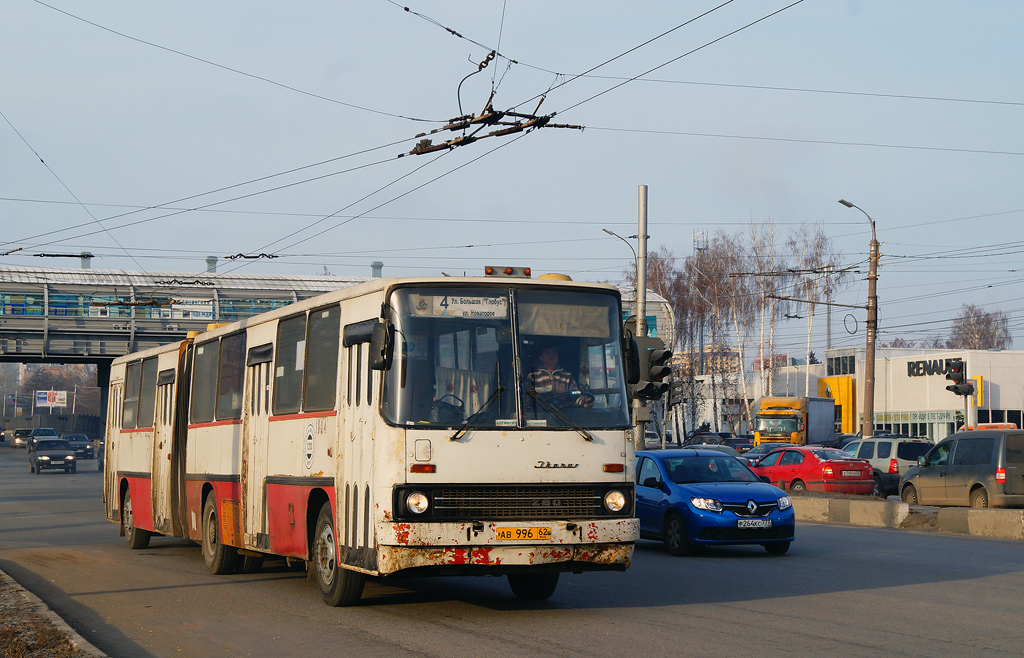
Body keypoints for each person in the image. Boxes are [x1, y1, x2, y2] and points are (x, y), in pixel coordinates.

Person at [527, 345, 594, 408]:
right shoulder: (533, 377)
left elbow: (575, 395)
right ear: (541, 358)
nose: (552, 355)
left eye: (554, 352)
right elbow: (526, 399)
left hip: (564, 416)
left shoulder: (567, 376)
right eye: (548, 352)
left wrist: (584, 401)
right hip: (540, 416)